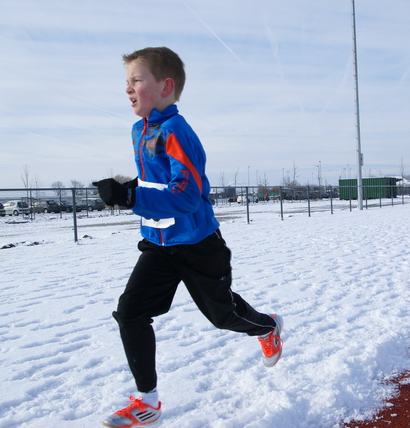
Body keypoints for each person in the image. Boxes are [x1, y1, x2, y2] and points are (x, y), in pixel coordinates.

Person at [93, 47, 283, 428]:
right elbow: (156, 182)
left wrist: (130, 197)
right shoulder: (140, 130)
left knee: (222, 315)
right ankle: (148, 403)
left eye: (136, 80)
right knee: (130, 313)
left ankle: (268, 327)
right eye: (126, 82)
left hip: (198, 245)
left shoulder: (177, 131)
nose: (128, 89)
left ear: (165, 86)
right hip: (159, 246)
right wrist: (126, 188)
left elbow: (186, 195)